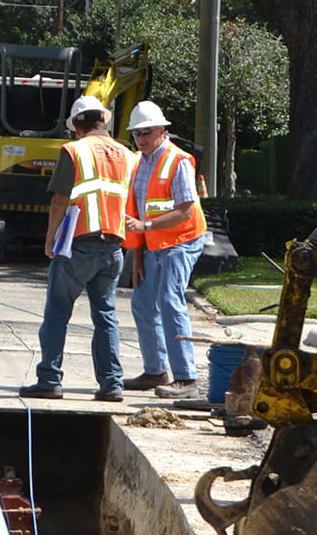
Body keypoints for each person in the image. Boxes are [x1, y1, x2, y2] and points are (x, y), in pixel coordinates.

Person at [19, 94, 135, 402]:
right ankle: (112, 384)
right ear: (102, 122)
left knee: (57, 313)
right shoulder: (126, 154)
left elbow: (60, 200)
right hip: (113, 248)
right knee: (106, 316)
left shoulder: (74, 150)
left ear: (76, 126)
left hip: (79, 244)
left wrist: (51, 239)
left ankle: (49, 379)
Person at [121, 101, 208, 398]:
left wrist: (145, 228)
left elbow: (185, 211)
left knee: (170, 301)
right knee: (143, 302)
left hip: (181, 241)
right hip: (155, 244)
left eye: (146, 132)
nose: (141, 138)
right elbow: (141, 207)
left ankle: (187, 378)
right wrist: (138, 257)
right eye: (136, 133)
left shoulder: (177, 160)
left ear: (161, 130)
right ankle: (156, 370)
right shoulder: (140, 161)